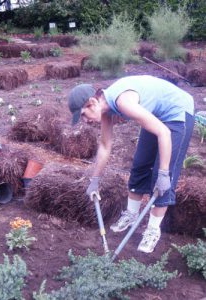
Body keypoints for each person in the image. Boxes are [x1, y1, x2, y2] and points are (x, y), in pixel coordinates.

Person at [68, 75, 194, 253]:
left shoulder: (123, 102)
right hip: (157, 114)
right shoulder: (105, 108)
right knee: (140, 165)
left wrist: (164, 174)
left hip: (177, 112)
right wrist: (94, 179)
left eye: (83, 115)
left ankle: (152, 229)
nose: (85, 120)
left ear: (91, 103)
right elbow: (105, 145)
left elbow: (164, 132)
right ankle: (131, 215)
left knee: (163, 176)